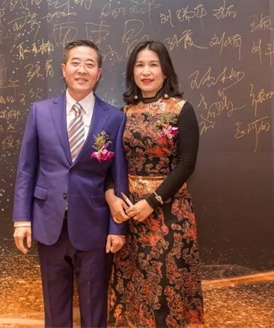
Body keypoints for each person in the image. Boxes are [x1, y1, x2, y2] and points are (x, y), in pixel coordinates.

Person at [12, 39, 128, 328]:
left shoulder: (114, 118)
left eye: (90, 64)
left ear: (99, 73)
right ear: (63, 69)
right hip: (49, 222)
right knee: (55, 309)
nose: (82, 70)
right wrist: (22, 220)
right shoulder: (40, 111)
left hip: (94, 225)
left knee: (94, 308)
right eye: (76, 63)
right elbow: (26, 169)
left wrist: (117, 227)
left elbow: (118, 175)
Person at [106, 40, 204, 327]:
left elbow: (186, 164)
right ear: (132, 72)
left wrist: (151, 202)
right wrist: (111, 198)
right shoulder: (123, 113)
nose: (146, 72)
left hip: (170, 214)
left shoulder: (181, 109)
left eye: (153, 65)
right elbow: (112, 164)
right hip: (130, 215)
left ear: (165, 70)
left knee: (167, 289)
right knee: (134, 286)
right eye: (140, 65)